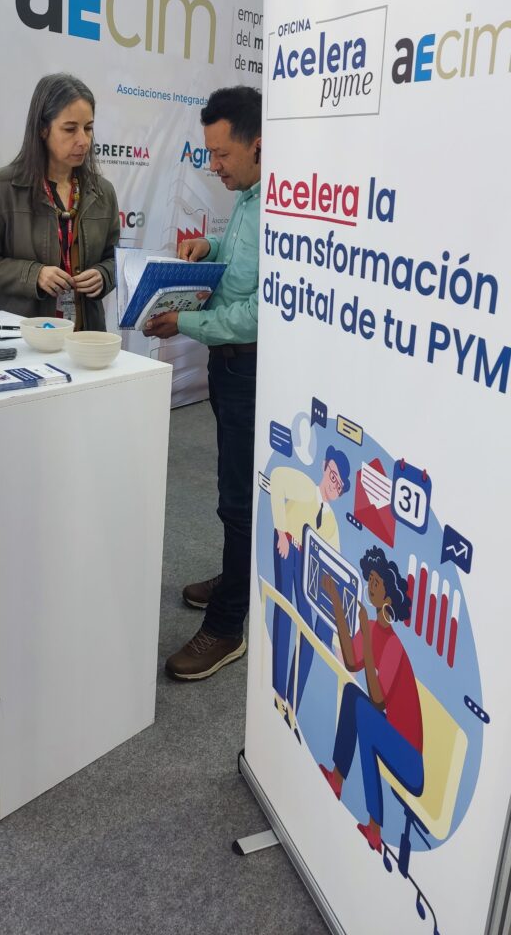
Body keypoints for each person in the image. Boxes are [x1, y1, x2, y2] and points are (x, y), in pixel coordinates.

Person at [145, 86, 261, 680]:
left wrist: (184, 322)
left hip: (251, 367)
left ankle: (228, 624)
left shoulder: (282, 207)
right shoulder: (248, 197)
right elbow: (240, 262)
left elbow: (260, 313)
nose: (213, 166)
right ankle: (237, 575)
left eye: (221, 154)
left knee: (239, 501)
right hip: (229, 367)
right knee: (233, 494)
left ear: (258, 145)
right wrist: (208, 244)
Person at [0, 73, 120, 330]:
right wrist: (34, 275)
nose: (83, 140)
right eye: (70, 129)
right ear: (42, 129)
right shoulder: (0, 186)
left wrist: (104, 275)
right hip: (25, 337)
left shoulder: (103, 191)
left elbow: (116, 260)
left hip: (85, 337)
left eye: (88, 128)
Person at [319, 546, 424, 855]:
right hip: (390, 734)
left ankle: (375, 828)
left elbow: (378, 699)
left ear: (388, 597)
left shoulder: (394, 646)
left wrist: (365, 633)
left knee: (365, 713)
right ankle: (338, 778)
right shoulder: (374, 630)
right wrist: (337, 602)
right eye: (371, 580)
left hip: (410, 759)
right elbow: (351, 662)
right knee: (353, 695)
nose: (370, 586)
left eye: (376, 582)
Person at [269, 446, 350, 737]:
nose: (333, 485)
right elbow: (277, 480)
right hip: (287, 545)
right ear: (325, 467)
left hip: (306, 566)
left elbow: (334, 570)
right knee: (285, 612)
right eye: (333, 476)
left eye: (339, 485)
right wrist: (281, 532)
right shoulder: (305, 488)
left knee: (311, 632)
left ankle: (292, 705)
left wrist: (338, 638)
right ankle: (279, 693)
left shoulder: (331, 523)